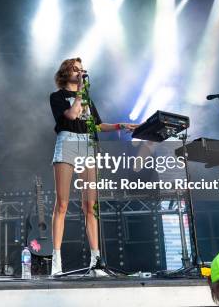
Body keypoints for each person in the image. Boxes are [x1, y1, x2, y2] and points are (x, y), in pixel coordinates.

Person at [49, 57, 137, 276]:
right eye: (76, 70)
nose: (80, 73)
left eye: (82, 70)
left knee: (91, 206)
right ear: (66, 73)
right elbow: (71, 115)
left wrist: (120, 125)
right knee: (62, 203)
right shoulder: (57, 97)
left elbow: (96, 123)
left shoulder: (86, 98)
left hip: (87, 144)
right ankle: (57, 261)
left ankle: (95, 261)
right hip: (68, 141)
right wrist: (80, 93)